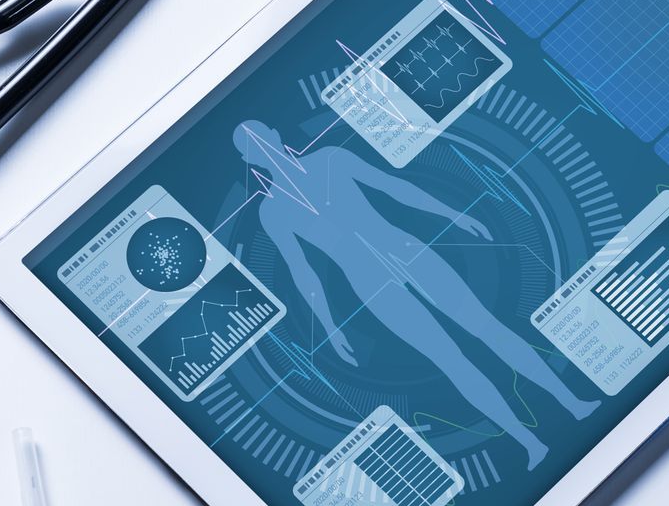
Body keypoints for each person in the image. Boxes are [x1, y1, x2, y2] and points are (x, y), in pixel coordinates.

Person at [234, 119, 598, 469]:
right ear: (250, 159)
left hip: (411, 251)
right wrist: (329, 325)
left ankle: (573, 403)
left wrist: (452, 214)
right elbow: (303, 271)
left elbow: (393, 187)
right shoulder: (274, 212)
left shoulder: (331, 157)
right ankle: (529, 443)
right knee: (450, 360)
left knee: (487, 328)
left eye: (260, 135)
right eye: (252, 146)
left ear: (275, 131)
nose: (262, 146)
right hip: (371, 283)